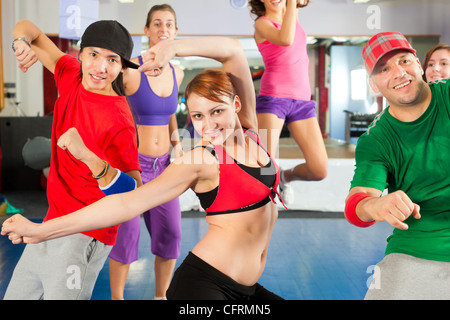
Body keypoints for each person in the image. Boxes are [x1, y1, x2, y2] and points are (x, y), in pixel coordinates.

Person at [2, 36, 286, 300]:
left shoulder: (251, 133)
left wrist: (173, 48)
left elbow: (234, 50)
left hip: (247, 290)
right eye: (198, 116)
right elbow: (127, 204)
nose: (208, 126)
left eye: (217, 111)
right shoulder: (202, 159)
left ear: (236, 104)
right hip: (206, 286)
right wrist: (43, 230)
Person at [4, 19, 142, 300]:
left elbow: (134, 193)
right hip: (48, 224)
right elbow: (28, 27)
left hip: (85, 235)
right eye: (93, 54)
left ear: (122, 67)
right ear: (79, 54)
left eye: (112, 60)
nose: (101, 67)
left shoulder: (120, 121)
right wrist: (20, 43)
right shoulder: (69, 73)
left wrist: (89, 158)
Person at [344, 31, 450, 299]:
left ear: (419, 64)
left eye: (404, 61)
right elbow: (357, 204)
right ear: (374, 85)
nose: (398, 73)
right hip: (418, 246)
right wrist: (378, 205)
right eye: (384, 69)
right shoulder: (376, 139)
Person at [109, 4, 184, 300]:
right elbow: (109, 110)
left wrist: (180, 147)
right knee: (127, 237)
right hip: (133, 166)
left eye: (169, 24)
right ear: (147, 31)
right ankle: (117, 298)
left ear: (176, 32)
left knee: (171, 236)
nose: (163, 29)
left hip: (166, 168)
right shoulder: (130, 71)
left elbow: (170, 116)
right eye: (157, 23)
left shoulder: (177, 72)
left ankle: (160, 296)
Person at [248, 0, 327, 204]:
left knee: (319, 169)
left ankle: (285, 177)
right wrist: (291, 3)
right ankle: (259, 217)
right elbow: (286, 39)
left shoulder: (292, 13)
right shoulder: (262, 24)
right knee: (264, 169)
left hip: (302, 101)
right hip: (273, 98)